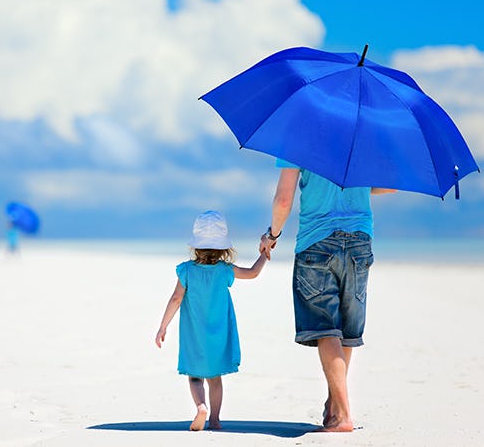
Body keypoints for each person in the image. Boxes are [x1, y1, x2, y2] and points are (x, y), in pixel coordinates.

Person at [259, 161, 396, 432]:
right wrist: (355, 186)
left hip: (317, 240)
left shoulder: (298, 140)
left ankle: (343, 415)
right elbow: (390, 186)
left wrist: (272, 234)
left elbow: (284, 200)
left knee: (326, 328)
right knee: (346, 329)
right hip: (359, 240)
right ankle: (335, 404)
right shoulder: (362, 141)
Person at [155, 210, 268, 431]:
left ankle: (200, 407)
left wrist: (163, 326)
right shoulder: (225, 270)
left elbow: (176, 298)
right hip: (218, 334)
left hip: (194, 334)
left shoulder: (186, 270)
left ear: (196, 245)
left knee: (195, 377)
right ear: (223, 247)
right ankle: (215, 420)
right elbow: (253, 272)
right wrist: (265, 253)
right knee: (215, 379)